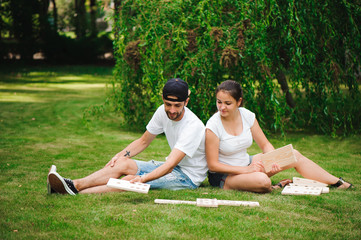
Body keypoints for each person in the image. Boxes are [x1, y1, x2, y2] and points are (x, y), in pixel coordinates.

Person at [48, 78, 208, 195]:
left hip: (187, 177)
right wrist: (119, 156)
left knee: (131, 180)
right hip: (174, 167)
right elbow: (144, 141)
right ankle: (74, 185)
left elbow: (170, 166)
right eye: (168, 104)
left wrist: (143, 179)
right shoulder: (162, 111)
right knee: (121, 163)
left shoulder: (193, 126)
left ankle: (69, 191)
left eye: (177, 106)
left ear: (186, 102)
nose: (172, 110)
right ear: (163, 100)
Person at [205, 80, 353, 193]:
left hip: (248, 163)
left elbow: (265, 145)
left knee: (292, 154)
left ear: (239, 102)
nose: (222, 107)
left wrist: (273, 160)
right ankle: (272, 186)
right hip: (225, 175)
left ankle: (337, 183)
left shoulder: (247, 116)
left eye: (227, 103)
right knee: (263, 180)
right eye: (219, 102)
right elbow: (213, 165)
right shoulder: (213, 126)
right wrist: (246, 170)